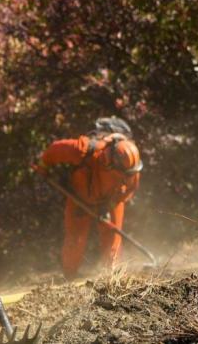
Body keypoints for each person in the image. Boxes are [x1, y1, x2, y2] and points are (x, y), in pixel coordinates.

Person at [35, 118, 142, 278]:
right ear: (109, 163)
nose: (126, 178)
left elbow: (131, 189)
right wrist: (43, 167)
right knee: (75, 239)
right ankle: (69, 277)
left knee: (112, 238)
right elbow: (54, 150)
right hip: (81, 197)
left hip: (111, 200)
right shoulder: (84, 149)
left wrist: (111, 204)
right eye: (122, 175)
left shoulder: (130, 167)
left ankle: (112, 276)